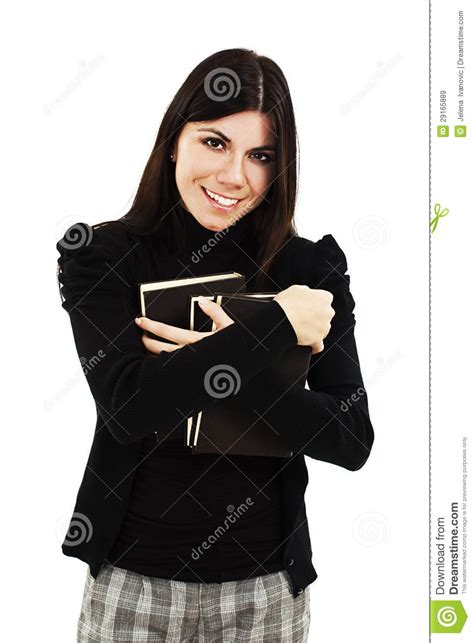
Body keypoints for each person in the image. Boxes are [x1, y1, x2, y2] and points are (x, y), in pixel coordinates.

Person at [56, 47, 375, 642]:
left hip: (266, 590)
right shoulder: (102, 257)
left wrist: (231, 361)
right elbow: (129, 409)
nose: (233, 176)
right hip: (132, 583)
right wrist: (277, 328)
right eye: (214, 142)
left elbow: (350, 439)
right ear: (174, 140)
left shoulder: (310, 270)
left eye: (260, 155)